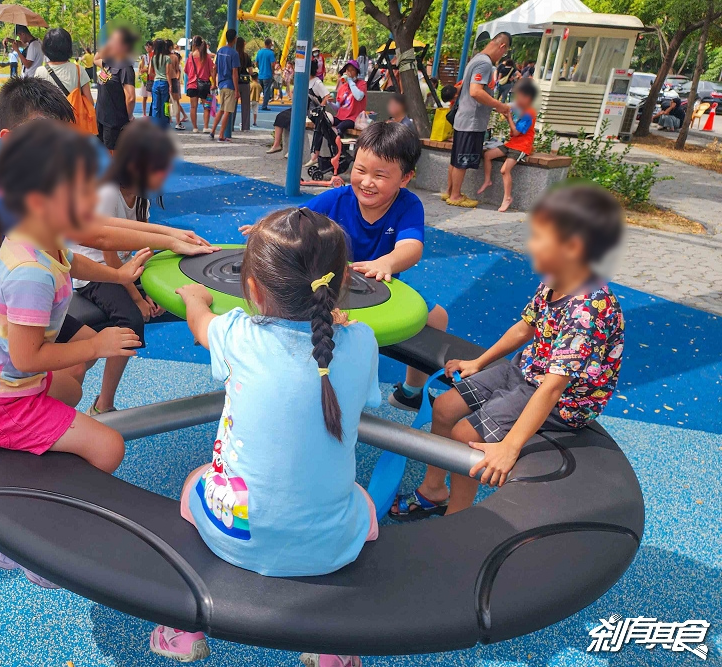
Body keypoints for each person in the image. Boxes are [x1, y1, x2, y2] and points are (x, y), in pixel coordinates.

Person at [149, 207, 381, 667]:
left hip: (239, 532)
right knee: (365, 504)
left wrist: (195, 296)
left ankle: (182, 624)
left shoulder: (237, 334)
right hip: (331, 543)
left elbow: (200, 325)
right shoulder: (363, 341)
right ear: (342, 283)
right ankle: (332, 647)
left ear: (251, 288)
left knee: (193, 482)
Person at [0, 121, 154, 583]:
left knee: (70, 388)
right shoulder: (30, 274)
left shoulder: (36, 235)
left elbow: (70, 260)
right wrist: (100, 342)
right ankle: (34, 544)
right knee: (108, 447)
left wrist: (118, 276)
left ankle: (31, 480)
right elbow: (26, 357)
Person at [0, 77, 214, 351]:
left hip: (16, 296)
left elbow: (91, 230)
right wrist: (167, 241)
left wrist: (172, 235)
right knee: (61, 367)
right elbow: (95, 234)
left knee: (84, 347)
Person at [391, 185, 625, 519]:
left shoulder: (587, 311)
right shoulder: (557, 278)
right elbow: (525, 327)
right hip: (529, 369)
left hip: (564, 400)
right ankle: (433, 490)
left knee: (463, 435)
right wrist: (479, 362)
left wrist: (509, 446)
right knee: (444, 407)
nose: (531, 246)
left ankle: (456, 519)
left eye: (540, 239)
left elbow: (553, 387)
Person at [301, 122, 450, 411]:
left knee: (436, 318)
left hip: (380, 287)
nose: (367, 182)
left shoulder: (408, 206)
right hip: (331, 285)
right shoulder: (338, 198)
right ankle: (318, 384)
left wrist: (387, 262)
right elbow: (298, 219)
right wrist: (266, 229)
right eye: (360, 170)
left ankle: (412, 390)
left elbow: (412, 247)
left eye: (380, 175)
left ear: (405, 178)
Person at [73, 122, 184, 414]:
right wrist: (137, 298)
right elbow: (108, 256)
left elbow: (140, 245)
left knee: (167, 291)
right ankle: (103, 403)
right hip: (92, 272)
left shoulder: (140, 195)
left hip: (119, 269)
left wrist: (152, 291)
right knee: (130, 320)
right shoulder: (108, 193)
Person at [445, 32, 512, 208]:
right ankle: (456, 196)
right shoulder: (484, 63)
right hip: (472, 120)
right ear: (502, 47)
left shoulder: (476, 59)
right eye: (504, 53)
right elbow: (476, 91)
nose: (501, 57)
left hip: (464, 118)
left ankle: (450, 191)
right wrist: (499, 105)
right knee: (463, 159)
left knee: (456, 158)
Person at [478, 78, 537, 212]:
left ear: (528, 98)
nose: (517, 99)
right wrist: (506, 115)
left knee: (504, 170)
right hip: (511, 143)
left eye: (520, 96)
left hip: (522, 146)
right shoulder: (519, 109)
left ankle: (507, 198)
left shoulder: (529, 114)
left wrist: (509, 118)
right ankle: (488, 180)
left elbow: (516, 132)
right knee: (487, 155)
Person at [306, 60, 366, 168]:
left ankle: (339, 154)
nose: (349, 73)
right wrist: (329, 102)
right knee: (322, 121)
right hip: (341, 116)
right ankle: (315, 154)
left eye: (352, 70)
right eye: (347, 70)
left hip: (353, 118)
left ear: (357, 72)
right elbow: (338, 107)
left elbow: (359, 96)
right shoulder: (342, 87)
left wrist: (351, 82)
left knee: (339, 128)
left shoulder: (361, 84)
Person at [267, 59, 327, 155]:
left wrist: (320, 108)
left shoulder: (316, 82)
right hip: (299, 107)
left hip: (309, 110)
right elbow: (293, 95)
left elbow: (326, 96)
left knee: (295, 122)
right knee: (280, 116)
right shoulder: (302, 80)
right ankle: (277, 144)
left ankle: (292, 148)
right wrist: (289, 88)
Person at [94, 27, 138, 150]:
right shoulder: (109, 61)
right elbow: (96, 59)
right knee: (101, 154)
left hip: (114, 122)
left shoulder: (125, 67)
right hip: (101, 118)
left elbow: (130, 98)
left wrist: (127, 118)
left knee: (112, 157)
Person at [34, 28, 94, 116]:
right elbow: (90, 103)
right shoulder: (79, 70)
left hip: (49, 124)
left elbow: (36, 103)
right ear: (69, 47)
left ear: (46, 48)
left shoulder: (40, 71)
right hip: (74, 125)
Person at [209, 29, 239, 142]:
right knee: (227, 110)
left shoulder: (220, 51)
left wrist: (214, 82)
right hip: (230, 84)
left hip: (221, 84)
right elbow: (234, 73)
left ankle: (212, 131)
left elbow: (214, 68)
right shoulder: (234, 54)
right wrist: (237, 90)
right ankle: (221, 134)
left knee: (221, 109)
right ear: (234, 39)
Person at [184, 36, 214, 133]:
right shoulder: (206, 56)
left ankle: (195, 127)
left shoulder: (190, 56)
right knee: (206, 106)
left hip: (192, 85)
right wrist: (214, 82)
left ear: (193, 44)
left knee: (193, 107)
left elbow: (186, 70)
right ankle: (205, 127)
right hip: (205, 85)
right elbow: (212, 71)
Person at [149, 39, 172, 130]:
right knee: (165, 104)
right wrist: (170, 85)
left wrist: (157, 75)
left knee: (155, 105)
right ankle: (164, 125)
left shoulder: (153, 58)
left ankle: (155, 124)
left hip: (156, 82)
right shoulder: (167, 58)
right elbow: (167, 73)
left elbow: (150, 72)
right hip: (164, 82)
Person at [167, 40, 189, 129]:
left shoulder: (161, 57)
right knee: (176, 102)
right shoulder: (174, 57)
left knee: (166, 102)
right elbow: (177, 70)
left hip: (163, 81)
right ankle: (178, 122)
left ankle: (167, 119)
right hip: (173, 80)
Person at [236, 36, 252, 131]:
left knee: (232, 106)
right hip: (245, 82)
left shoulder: (234, 55)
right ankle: (245, 127)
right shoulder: (246, 56)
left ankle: (231, 126)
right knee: (246, 106)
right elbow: (250, 71)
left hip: (236, 82)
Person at [255, 38, 276, 110]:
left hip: (260, 74)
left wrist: (260, 68)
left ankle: (254, 104)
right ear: (270, 44)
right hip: (267, 75)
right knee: (266, 91)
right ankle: (264, 106)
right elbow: (272, 64)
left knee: (259, 90)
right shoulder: (271, 53)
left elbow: (256, 63)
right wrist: (272, 72)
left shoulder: (259, 52)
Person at [139, 41, 154, 116]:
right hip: (146, 79)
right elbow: (141, 70)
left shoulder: (154, 55)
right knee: (145, 97)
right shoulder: (144, 57)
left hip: (153, 78)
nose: (147, 48)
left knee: (154, 97)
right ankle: (144, 113)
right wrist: (147, 69)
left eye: (149, 46)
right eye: (146, 46)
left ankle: (152, 113)